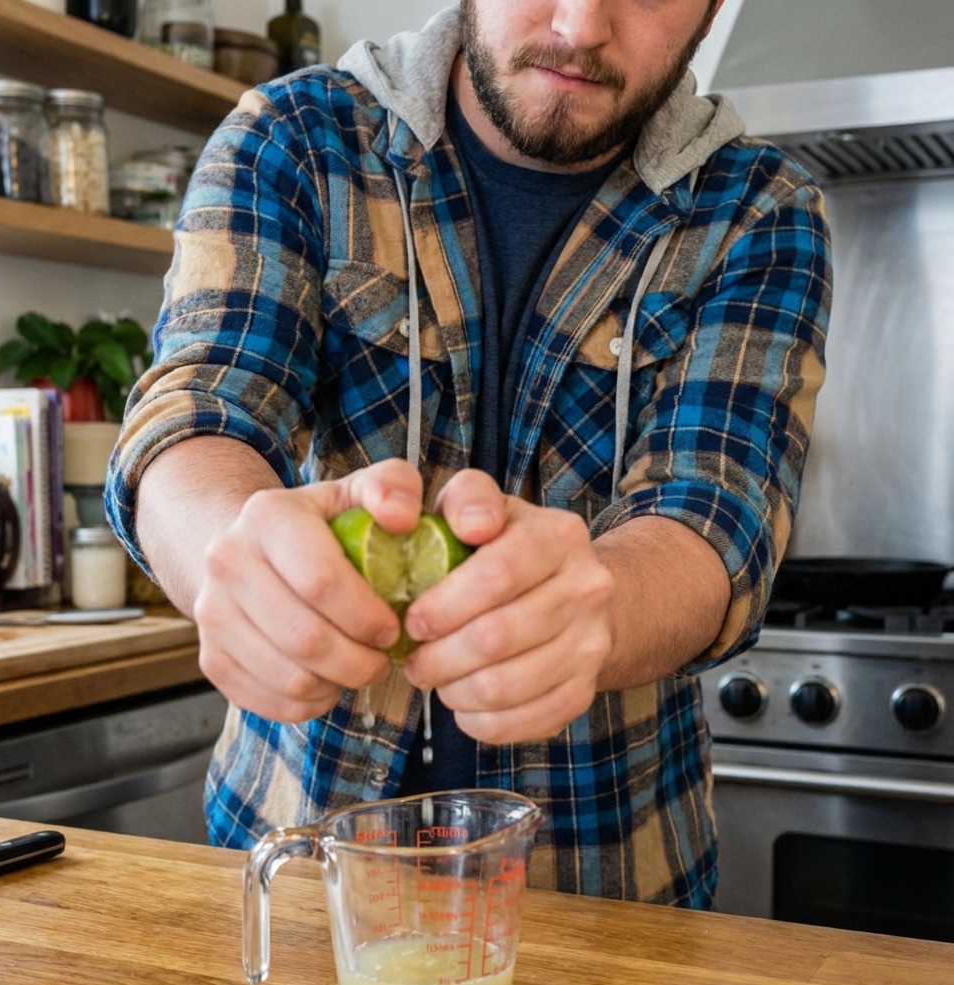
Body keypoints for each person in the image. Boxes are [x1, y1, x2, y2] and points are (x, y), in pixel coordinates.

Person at [105, 0, 831, 908]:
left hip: (613, 890)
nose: (579, 26)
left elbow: (717, 517)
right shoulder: (292, 137)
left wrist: (595, 612)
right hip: (293, 872)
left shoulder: (761, 210)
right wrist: (229, 544)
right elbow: (198, 408)